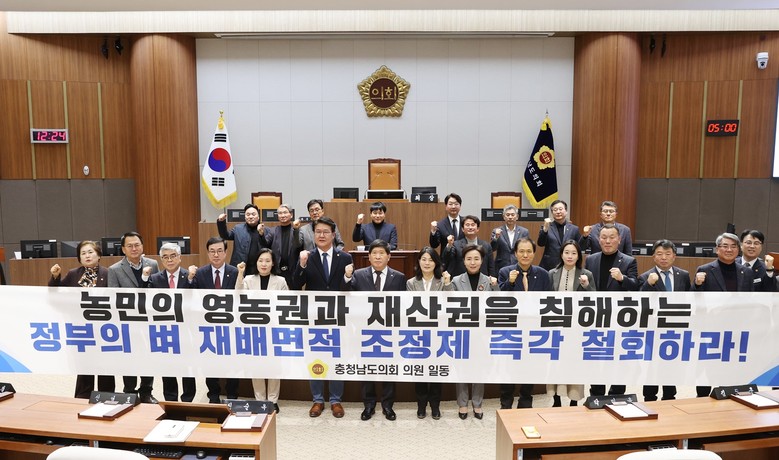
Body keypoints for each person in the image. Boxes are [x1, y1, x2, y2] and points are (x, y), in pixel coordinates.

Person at [292, 216, 352, 418]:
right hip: (314, 317)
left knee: (336, 357)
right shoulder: (307, 256)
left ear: (333, 235)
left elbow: (348, 289)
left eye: (326, 232)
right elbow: (296, 285)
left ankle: (336, 400)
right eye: (318, 232)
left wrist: (347, 277)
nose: (322, 235)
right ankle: (317, 399)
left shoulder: (345, 258)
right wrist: (301, 265)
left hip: (337, 316)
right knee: (315, 357)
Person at [343, 239, 406, 421]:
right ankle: (369, 405)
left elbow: (403, 305)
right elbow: (345, 295)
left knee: (389, 369)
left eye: (381, 253)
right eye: (374, 253)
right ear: (369, 257)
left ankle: (388, 405)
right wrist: (347, 277)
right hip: (364, 331)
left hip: (389, 331)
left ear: (389, 256)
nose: (378, 257)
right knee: (366, 368)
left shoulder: (399, 277)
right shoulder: (358, 275)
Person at [49, 240, 114, 399]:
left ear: (98, 255)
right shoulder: (73, 274)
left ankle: (106, 396)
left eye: (90, 252)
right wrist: (55, 277)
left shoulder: (108, 273)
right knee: (84, 364)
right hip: (82, 327)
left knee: (105, 363)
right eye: (83, 253)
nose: (87, 256)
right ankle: (83, 397)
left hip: (104, 327)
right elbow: (55, 292)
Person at [694, 232, 755, 398]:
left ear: (738, 249)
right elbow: (696, 299)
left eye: (733, 246)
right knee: (708, 365)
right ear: (717, 249)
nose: (729, 250)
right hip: (712, 328)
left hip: (737, 328)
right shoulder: (705, 270)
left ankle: (729, 394)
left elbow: (752, 300)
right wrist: (697, 284)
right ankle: (702, 398)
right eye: (725, 246)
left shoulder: (746, 272)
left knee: (732, 364)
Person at [583, 224, 638, 397]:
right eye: (604, 237)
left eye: (612, 237)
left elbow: (636, 286)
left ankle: (617, 393)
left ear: (619, 239)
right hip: (596, 317)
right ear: (598, 240)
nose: (607, 241)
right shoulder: (591, 260)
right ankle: (596, 393)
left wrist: (622, 279)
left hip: (619, 319)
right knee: (596, 356)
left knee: (619, 358)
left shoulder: (629, 261)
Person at [497, 238, 551, 409]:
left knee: (530, 367)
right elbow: (500, 299)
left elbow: (548, 301)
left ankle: (525, 402)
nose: (525, 255)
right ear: (515, 253)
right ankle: (506, 403)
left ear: (534, 253)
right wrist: (510, 283)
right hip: (511, 329)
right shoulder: (505, 272)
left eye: (529, 251)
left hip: (534, 329)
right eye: (521, 251)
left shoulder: (543, 274)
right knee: (509, 367)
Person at [107, 231, 159, 404]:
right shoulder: (114, 269)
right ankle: (129, 392)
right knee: (129, 357)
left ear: (142, 246)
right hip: (127, 321)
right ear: (123, 249)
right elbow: (113, 297)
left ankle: (146, 391)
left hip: (149, 320)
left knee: (149, 356)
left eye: (137, 245)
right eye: (129, 246)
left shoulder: (153, 264)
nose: (134, 248)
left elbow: (158, 290)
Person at [638, 239, 692, 402]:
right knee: (652, 364)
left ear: (674, 256)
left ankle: (669, 396)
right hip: (653, 329)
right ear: (653, 257)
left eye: (668, 254)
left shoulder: (683, 275)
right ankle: (649, 396)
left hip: (675, 328)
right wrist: (648, 284)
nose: (664, 258)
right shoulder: (645, 276)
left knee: (671, 363)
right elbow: (640, 301)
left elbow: (689, 299)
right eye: (659, 254)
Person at [236, 248, 287, 413]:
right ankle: (260, 400)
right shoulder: (248, 279)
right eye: (260, 260)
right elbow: (238, 295)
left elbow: (286, 304)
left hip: (274, 329)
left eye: (267, 261)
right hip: (254, 329)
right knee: (256, 366)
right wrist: (240, 273)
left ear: (273, 263)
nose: (264, 264)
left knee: (274, 366)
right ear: (256, 263)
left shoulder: (280, 281)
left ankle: (273, 400)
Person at [451, 244, 498, 419]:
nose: (473, 262)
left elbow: (498, 304)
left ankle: (477, 404)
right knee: (462, 369)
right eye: (469, 259)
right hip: (462, 332)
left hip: (482, 333)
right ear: (463, 261)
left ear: (482, 260)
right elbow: (448, 303)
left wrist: (495, 287)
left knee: (480, 369)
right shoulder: (456, 281)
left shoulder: (489, 281)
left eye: (476, 259)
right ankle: (463, 404)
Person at [190, 237, 240, 403]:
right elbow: (193, 298)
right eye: (212, 251)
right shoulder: (200, 273)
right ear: (208, 253)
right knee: (210, 363)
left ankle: (232, 395)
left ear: (226, 253)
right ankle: (213, 396)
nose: (216, 255)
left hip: (230, 325)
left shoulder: (235, 272)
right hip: (208, 326)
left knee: (232, 362)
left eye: (219, 251)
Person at [406, 247, 452, 420]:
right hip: (418, 333)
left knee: (436, 371)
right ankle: (421, 405)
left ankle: (435, 405)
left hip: (439, 333)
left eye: (431, 260)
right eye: (423, 259)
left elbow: (451, 303)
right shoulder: (411, 283)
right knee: (420, 371)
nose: (427, 263)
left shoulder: (443, 281)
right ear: (418, 262)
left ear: (436, 263)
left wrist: (447, 285)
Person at [148, 242, 196, 402]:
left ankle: (188, 399)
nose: (169, 260)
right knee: (168, 366)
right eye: (165, 257)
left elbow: (195, 298)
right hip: (164, 329)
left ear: (180, 257)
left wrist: (190, 280)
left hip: (186, 329)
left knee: (188, 366)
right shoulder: (155, 279)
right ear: (161, 260)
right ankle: (170, 399)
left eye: (173, 256)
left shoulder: (190, 275)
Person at [546, 239, 592, 407]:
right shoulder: (552, 273)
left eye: (574, 253)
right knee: (555, 362)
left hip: (576, 327)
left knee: (575, 362)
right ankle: (556, 400)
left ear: (578, 256)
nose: (570, 256)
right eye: (567, 252)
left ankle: (574, 400)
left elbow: (594, 299)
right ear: (561, 254)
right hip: (556, 324)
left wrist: (586, 286)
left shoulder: (586, 274)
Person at [216, 203, 268, 276]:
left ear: (258, 216)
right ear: (245, 217)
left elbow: (268, 247)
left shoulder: (266, 230)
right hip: (240, 268)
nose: (250, 217)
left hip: (259, 269)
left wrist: (262, 234)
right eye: (248, 214)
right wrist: (221, 222)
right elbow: (225, 236)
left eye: (253, 214)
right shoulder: (238, 229)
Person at [537, 199, 583, 270]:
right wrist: (545, 230)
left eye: (560, 209)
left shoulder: (574, 229)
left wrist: (585, 237)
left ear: (566, 211)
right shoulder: (547, 227)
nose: (558, 212)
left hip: (568, 265)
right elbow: (540, 243)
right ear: (552, 213)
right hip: (549, 265)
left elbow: (580, 247)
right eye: (555, 210)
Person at [263, 204, 301, 286]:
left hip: (293, 271)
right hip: (277, 271)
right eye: (280, 213)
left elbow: (298, 245)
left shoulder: (297, 230)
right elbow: (264, 245)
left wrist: (296, 230)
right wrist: (261, 235)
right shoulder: (273, 231)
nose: (282, 215)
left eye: (285, 212)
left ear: (291, 215)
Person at [490, 204, 529, 271]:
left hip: (519, 266)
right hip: (501, 267)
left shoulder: (524, 232)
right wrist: (496, 237)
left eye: (512, 215)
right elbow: (493, 249)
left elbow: (526, 249)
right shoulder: (497, 231)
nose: (510, 217)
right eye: (507, 215)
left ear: (517, 217)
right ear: (504, 217)